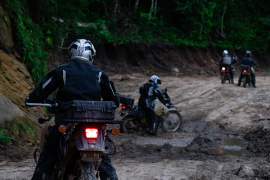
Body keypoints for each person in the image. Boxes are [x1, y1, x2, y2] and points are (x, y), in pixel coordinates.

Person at [25, 39, 119, 180]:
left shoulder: (61, 71)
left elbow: (41, 91)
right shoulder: (100, 74)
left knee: (49, 154)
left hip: (67, 120)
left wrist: (30, 100)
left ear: (71, 53)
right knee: (103, 156)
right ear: (91, 55)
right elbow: (114, 99)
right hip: (95, 121)